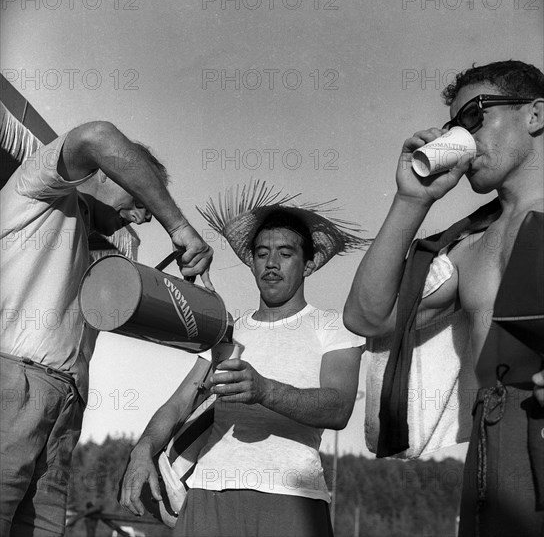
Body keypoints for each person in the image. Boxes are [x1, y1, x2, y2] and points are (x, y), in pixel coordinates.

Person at [344, 60, 544, 536]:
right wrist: (411, 201)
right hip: (492, 444)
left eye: (476, 116)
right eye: (456, 127)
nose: (465, 138)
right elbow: (369, 317)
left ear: (535, 115)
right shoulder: (472, 245)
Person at [0, 119, 214, 536]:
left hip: (63, 408)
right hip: (14, 385)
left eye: (149, 214)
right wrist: (180, 226)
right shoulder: (38, 190)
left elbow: (139, 311)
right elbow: (97, 135)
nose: (140, 217)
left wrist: (179, 292)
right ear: (103, 173)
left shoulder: (89, 245)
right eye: (138, 198)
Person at [120, 181, 368, 537]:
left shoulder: (331, 326)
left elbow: (339, 407)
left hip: (290, 496)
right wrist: (143, 450)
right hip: (207, 495)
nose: (271, 263)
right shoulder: (226, 329)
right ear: (251, 261)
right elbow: (180, 402)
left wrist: (264, 390)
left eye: (285, 253)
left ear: (309, 264)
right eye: (262, 253)